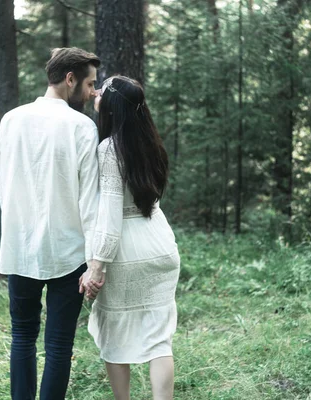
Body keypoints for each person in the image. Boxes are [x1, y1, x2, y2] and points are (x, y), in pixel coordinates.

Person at [0, 47, 104, 400]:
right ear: (69, 79)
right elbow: (90, 200)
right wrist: (96, 259)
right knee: (58, 345)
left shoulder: (11, 119)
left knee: (22, 336)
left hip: (21, 246)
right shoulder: (81, 126)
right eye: (89, 84)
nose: (92, 92)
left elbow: (6, 186)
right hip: (68, 250)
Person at [79, 76, 181, 400]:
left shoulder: (109, 149)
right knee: (159, 342)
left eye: (101, 89)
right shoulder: (151, 144)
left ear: (113, 104)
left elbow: (109, 216)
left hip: (125, 253)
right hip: (160, 246)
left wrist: (97, 265)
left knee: (115, 338)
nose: (95, 93)